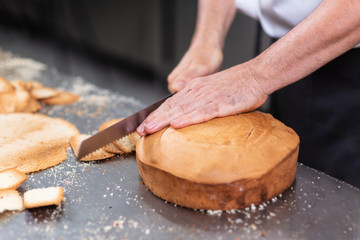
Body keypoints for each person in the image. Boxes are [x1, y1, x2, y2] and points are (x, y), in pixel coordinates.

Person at [137, 0, 360, 187]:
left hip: (348, 67)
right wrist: (206, 41)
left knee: (333, 199)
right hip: (285, 53)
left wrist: (253, 78)